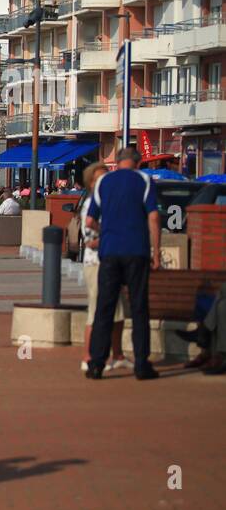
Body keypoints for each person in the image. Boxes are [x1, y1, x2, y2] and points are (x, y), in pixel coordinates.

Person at [86, 146, 161, 380]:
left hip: (109, 252)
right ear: (137, 163)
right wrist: (155, 251)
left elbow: (89, 220)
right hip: (136, 250)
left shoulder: (103, 183)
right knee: (139, 307)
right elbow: (154, 216)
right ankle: (141, 364)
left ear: (117, 162)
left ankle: (96, 364)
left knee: (104, 308)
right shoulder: (144, 181)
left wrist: (106, 231)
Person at [77, 162, 131, 374]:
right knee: (97, 311)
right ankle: (87, 356)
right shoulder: (91, 204)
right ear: (91, 183)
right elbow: (91, 240)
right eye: (100, 179)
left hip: (111, 261)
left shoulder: (108, 202)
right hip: (96, 264)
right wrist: (118, 235)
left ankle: (117, 354)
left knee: (117, 311)